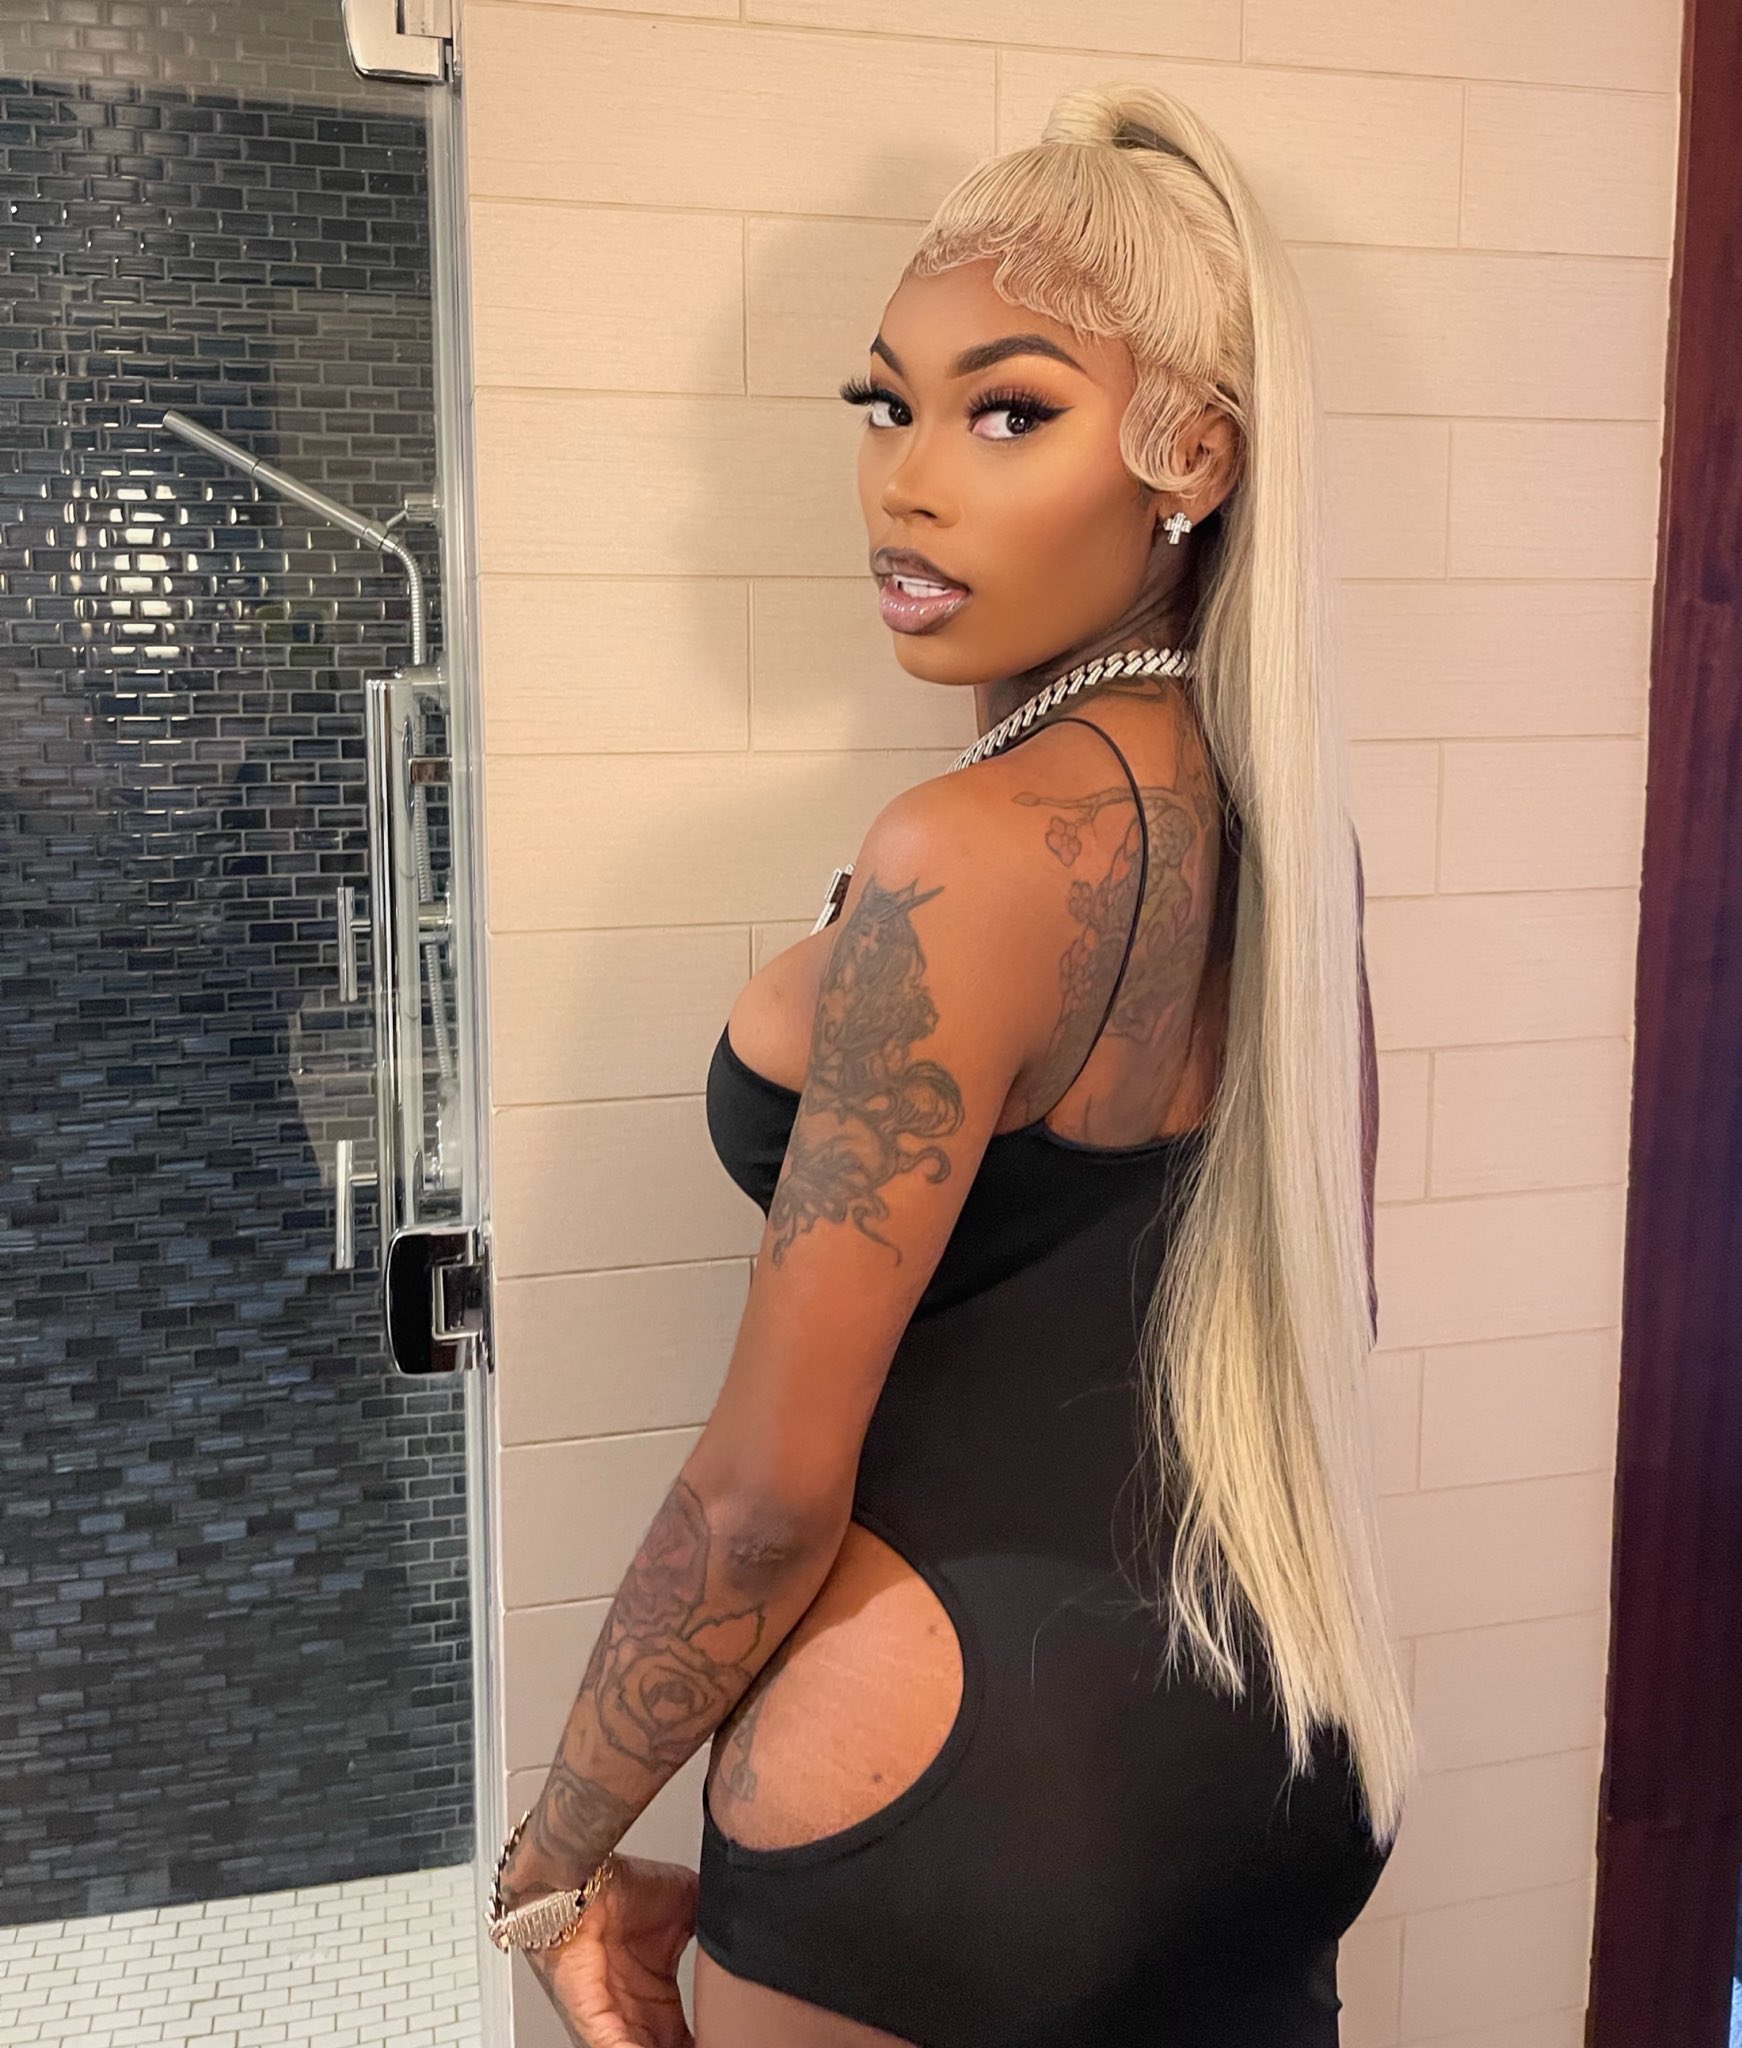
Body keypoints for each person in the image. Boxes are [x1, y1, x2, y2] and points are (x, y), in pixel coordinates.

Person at [490, 79, 1415, 2048]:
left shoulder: (966, 853)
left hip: (947, 1800)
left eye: (1007, 413)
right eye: (884, 403)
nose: (905, 483)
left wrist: (555, 1856)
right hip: (1261, 1750)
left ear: (1190, 457)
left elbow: (759, 1499)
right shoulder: (1282, 828)